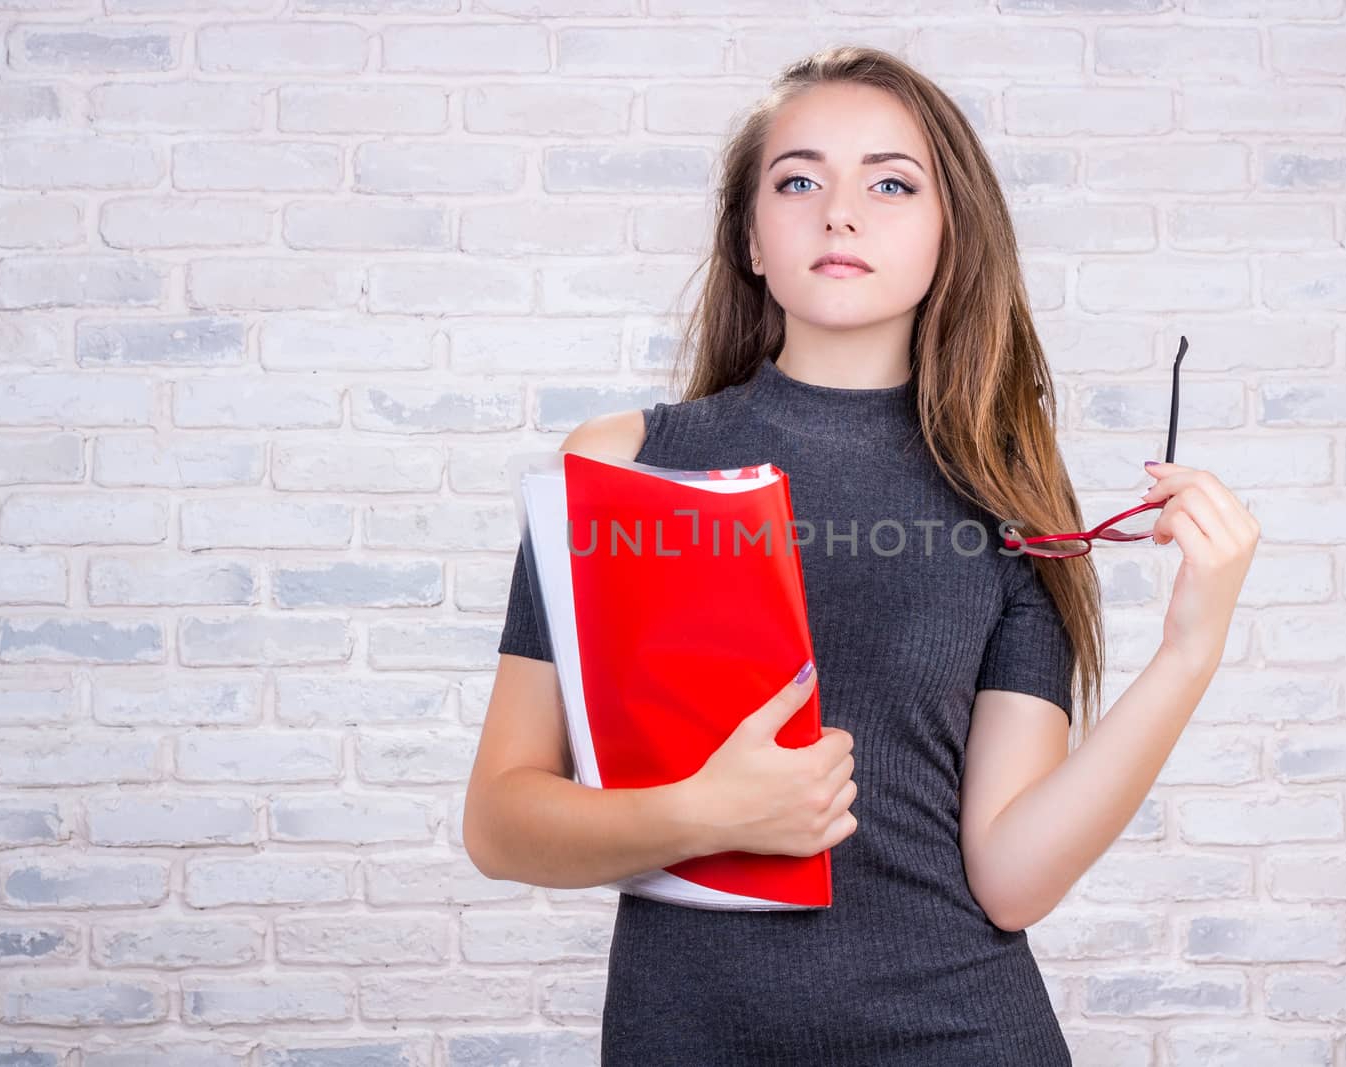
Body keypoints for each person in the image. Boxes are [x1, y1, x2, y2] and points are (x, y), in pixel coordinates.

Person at [464, 45, 1261, 1066]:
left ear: (947, 235)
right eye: (798, 180)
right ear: (751, 236)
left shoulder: (1009, 498)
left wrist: (1188, 651)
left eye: (891, 182)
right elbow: (500, 820)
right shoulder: (624, 466)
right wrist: (704, 811)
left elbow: (1012, 874)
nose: (839, 212)